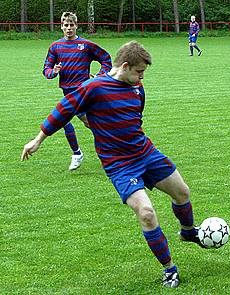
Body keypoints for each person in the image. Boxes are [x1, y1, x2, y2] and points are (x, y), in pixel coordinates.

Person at [22, 41, 205, 288]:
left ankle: (187, 231)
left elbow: (135, 117)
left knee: (182, 191)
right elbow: (63, 110)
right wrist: (38, 139)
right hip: (119, 165)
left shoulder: (137, 88)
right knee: (147, 213)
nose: (141, 77)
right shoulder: (94, 87)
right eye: (139, 71)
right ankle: (169, 269)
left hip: (145, 152)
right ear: (126, 66)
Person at [43, 12, 112, 170]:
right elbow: (46, 70)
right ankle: (81, 153)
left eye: (71, 25)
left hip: (83, 92)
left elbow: (106, 59)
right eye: (65, 25)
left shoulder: (86, 45)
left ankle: (88, 153)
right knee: (87, 124)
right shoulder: (55, 47)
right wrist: (53, 72)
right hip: (67, 93)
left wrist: (99, 77)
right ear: (61, 27)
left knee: (66, 120)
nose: (68, 28)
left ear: (76, 26)